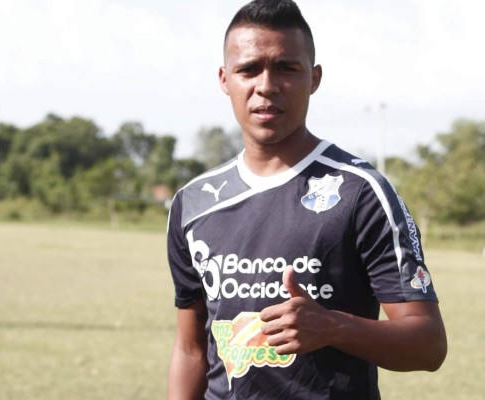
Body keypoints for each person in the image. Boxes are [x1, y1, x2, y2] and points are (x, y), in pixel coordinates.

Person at [166, 0, 447, 399]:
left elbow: (429, 344)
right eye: (249, 69)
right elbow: (191, 349)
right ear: (225, 79)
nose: (266, 85)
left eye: (286, 68)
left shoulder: (361, 193)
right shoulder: (193, 203)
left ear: (313, 78)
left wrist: (332, 327)